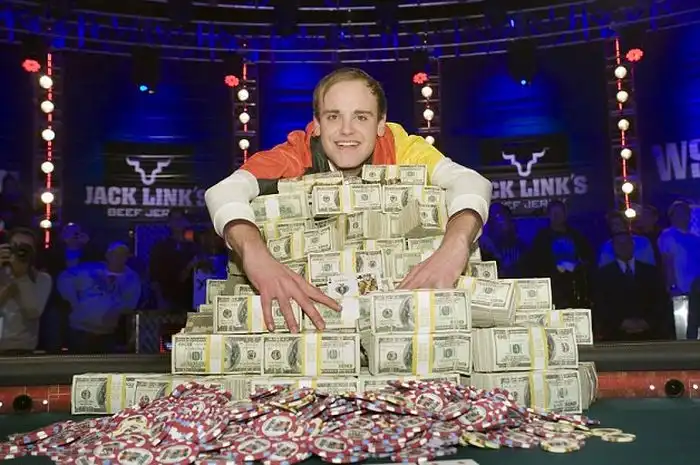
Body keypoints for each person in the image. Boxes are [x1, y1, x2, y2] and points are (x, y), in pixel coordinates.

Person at [205, 67, 492, 332]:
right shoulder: (298, 152)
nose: (346, 130)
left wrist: (455, 246)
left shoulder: (400, 146)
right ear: (317, 124)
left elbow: (470, 182)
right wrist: (255, 254)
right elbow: (225, 190)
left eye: (361, 117)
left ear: (381, 123)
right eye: (333, 116)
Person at [58, 242, 141, 354]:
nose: (118, 257)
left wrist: (116, 310)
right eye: (115, 254)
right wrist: (74, 301)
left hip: (107, 334)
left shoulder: (131, 277)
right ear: (107, 255)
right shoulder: (89, 269)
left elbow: (130, 303)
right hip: (79, 331)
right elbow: (65, 277)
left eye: (123, 254)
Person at [592, 232, 672, 341]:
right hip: (616, 336)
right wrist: (621, 323)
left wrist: (647, 322)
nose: (623, 247)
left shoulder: (651, 272)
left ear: (633, 245)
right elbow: (601, 305)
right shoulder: (603, 275)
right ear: (613, 248)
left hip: (651, 335)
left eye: (626, 243)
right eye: (619, 244)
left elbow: (661, 300)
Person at [524, 200, 593, 308]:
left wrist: (578, 266)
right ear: (549, 215)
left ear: (565, 214)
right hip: (552, 287)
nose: (557, 216)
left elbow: (588, 257)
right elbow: (535, 263)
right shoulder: (542, 238)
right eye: (554, 213)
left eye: (559, 213)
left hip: (575, 285)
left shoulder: (576, 236)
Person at [0, 228, 52, 354]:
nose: (20, 251)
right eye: (15, 246)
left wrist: (22, 277)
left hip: (21, 349)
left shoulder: (42, 278)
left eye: (26, 248)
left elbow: (33, 312)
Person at [657, 200, 700, 339]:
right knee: (685, 330)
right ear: (672, 216)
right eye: (679, 213)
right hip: (682, 290)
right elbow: (667, 262)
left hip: (697, 289)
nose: (683, 216)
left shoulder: (695, 238)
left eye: (686, 213)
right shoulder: (667, 235)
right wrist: (672, 286)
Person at [149, 209, 199, 312]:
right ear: (169, 223)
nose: (177, 223)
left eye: (180, 219)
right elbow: (154, 277)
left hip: (190, 300)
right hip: (168, 300)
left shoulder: (194, 248)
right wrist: (160, 300)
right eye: (174, 219)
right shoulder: (161, 247)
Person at [479, 203, 526, 278]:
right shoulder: (483, 248)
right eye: (497, 216)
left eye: (504, 215)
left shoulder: (522, 249)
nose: (502, 220)